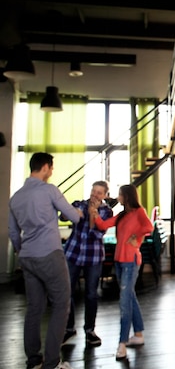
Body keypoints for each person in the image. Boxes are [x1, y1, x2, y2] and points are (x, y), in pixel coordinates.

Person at [8, 152, 82, 369]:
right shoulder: (50, 190)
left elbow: (14, 234)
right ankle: (52, 362)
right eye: (51, 168)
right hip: (50, 254)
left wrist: (25, 251)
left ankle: (33, 360)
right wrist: (77, 211)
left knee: (34, 308)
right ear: (46, 168)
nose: (52, 172)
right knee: (61, 304)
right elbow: (75, 217)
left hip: (28, 257)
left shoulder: (16, 197)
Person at [91, 184, 153, 361]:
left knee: (124, 302)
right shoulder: (122, 215)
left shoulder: (139, 211)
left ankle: (122, 344)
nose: (118, 197)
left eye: (120, 195)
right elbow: (103, 225)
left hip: (131, 262)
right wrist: (94, 212)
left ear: (127, 196)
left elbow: (149, 227)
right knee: (129, 297)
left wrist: (137, 236)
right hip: (118, 262)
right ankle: (139, 335)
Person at [62, 180, 113, 347]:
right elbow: (62, 216)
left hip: (93, 258)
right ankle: (68, 329)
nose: (95, 195)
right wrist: (71, 213)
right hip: (73, 254)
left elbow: (96, 233)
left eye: (99, 192)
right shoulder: (78, 204)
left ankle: (89, 330)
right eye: (93, 191)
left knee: (91, 294)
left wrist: (93, 215)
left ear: (105, 195)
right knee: (66, 292)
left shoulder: (107, 212)